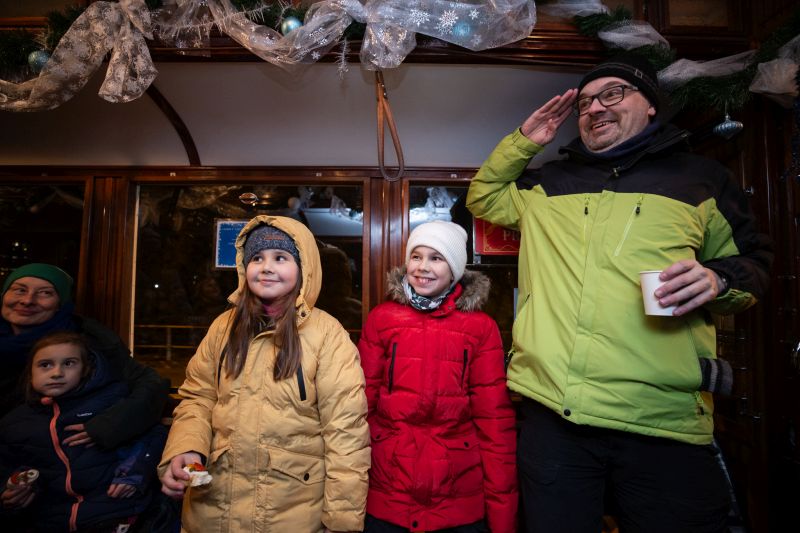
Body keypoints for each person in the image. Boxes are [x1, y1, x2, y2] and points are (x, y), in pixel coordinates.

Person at [466, 53, 773, 532]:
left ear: (649, 104)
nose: (594, 108)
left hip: (663, 420)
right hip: (555, 414)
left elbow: (754, 265)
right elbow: (483, 197)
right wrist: (524, 143)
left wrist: (719, 280)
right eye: (585, 102)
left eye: (611, 94)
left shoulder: (701, 179)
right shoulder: (548, 185)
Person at [158, 215, 370, 533]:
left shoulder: (327, 335)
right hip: (214, 507)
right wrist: (187, 449)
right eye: (257, 257)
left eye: (280, 258)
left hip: (290, 513)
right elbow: (198, 398)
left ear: (304, 269)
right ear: (245, 267)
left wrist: (340, 523)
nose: (266, 266)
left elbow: (345, 434)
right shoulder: (224, 327)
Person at [358, 220, 518, 533]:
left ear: (455, 268)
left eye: (436, 257)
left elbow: (494, 423)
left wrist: (502, 520)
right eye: (416, 256)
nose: (423, 267)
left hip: (457, 495)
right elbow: (359, 409)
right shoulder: (382, 320)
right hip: (389, 490)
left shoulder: (480, 328)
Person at [0, 331, 167, 532]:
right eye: (45, 365)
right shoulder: (14, 422)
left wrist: (135, 472)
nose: (56, 373)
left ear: (86, 369)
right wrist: (11, 489)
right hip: (49, 521)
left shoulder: (111, 404)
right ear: (30, 373)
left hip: (115, 512)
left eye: (69, 363)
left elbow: (153, 436)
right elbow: (7, 466)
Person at [0, 263, 168, 449]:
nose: (27, 300)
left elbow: (151, 384)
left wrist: (109, 425)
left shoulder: (90, 341)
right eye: (19, 290)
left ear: (60, 304)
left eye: (45, 293)